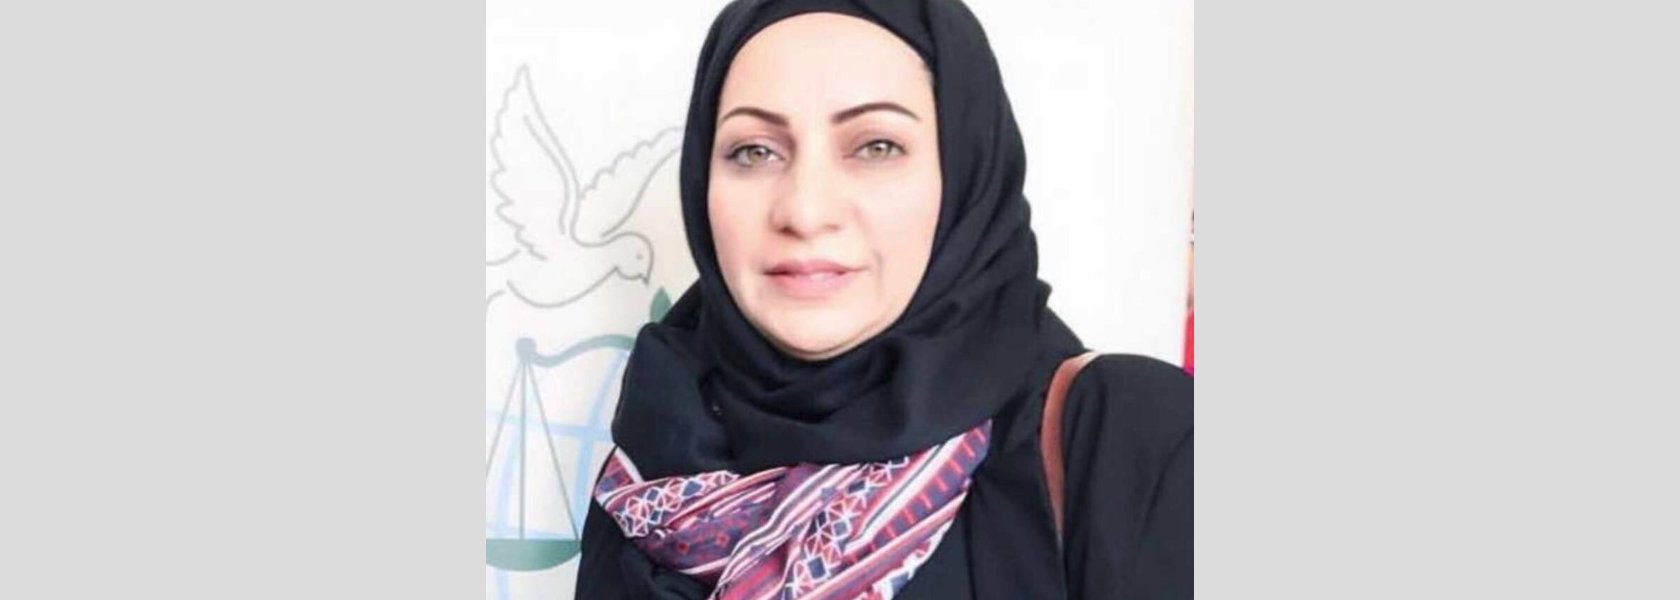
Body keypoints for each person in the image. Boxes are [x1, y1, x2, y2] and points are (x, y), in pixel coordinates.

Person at [576, 0, 1192, 597]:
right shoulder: (656, 459)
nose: (804, 210)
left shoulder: (1132, 444)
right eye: (754, 151)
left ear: (964, 173)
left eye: (876, 147)